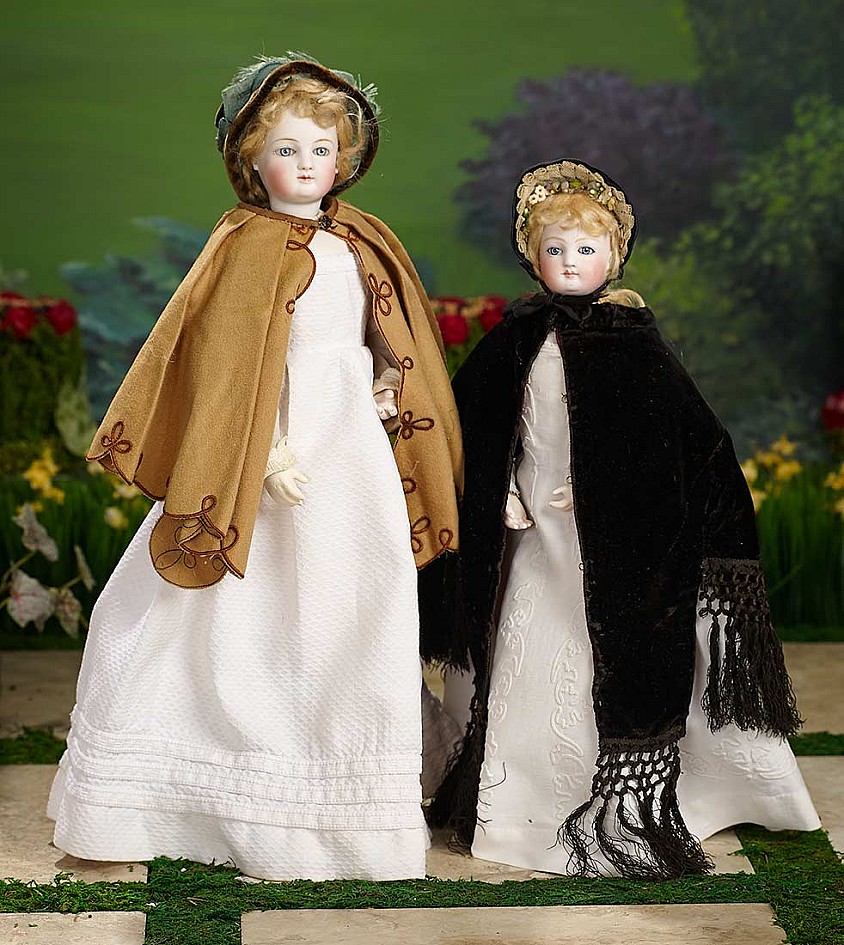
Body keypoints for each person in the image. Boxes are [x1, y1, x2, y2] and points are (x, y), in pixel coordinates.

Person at [48, 53, 461, 882]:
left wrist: (384, 387)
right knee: (234, 616)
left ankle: (342, 807)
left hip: (349, 457)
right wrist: (263, 448)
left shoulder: (361, 241)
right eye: (287, 149)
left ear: (346, 157)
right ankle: (199, 789)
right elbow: (228, 363)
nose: (306, 165)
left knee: (351, 607)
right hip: (264, 462)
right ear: (251, 159)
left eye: (322, 150)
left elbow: (381, 340)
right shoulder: (242, 246)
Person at [422, 158, 819, 879]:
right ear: (532, 256)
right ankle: (516, 810)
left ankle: (611, 804)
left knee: (598, 652)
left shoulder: (633, 342)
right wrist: (494, 490)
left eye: (586, 248)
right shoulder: (514, 338)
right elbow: (470, 424)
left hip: (611, 543)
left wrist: (607, 491)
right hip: (529, 535)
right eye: (555, 249)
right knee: (522, 652)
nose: (571, 262)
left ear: (613, 255)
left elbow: (682, 438)